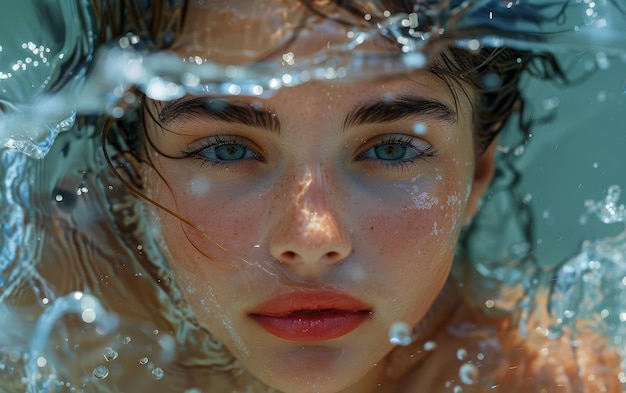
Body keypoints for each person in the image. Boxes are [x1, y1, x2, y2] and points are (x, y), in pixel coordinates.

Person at [1, 1, 621, 392]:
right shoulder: (26, 322)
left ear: (476, 174)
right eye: (226, 149)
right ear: (130, 170)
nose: (312, 238)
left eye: (392, 149)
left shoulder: (560, 381)